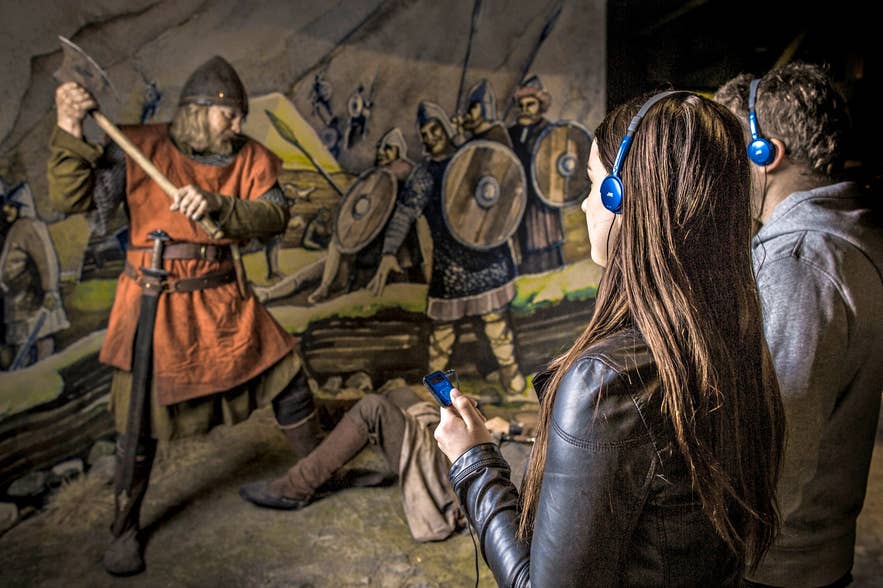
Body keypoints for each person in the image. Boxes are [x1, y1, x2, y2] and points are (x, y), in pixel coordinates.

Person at [434, 91, 787, 586]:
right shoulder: (734, 333)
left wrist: (473, 459)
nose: (584, 203)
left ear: (622, 197)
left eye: (593, 182)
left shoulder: (604, 382)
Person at [48, 56, 322, 577]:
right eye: (229, 114)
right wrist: (68, 126)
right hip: (153, 303)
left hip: (223, 302)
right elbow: (70, 198)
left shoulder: (249, 157)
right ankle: (124, 529)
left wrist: (218, 203)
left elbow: (275, 215)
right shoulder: (136, 147)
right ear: (197, 111)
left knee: (289, 380)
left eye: (240, 115)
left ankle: (317, 473)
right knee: (137, 422)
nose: (238, 124)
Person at [715, 62, 883, 588]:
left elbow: (774, 452)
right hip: (819, 554)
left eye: (728, 151)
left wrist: (720, 556)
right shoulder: (853, 232)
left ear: (765, 153)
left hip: (772, 568)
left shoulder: (799, 262)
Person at [368, 101, 528, 400]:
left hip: (486, 256)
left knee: (497, 326)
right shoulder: (425, 175)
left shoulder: (472, 157)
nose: (431, 137)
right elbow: (404, 214)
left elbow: (502, 185)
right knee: (441, 337)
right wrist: (389, 251)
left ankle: (514, 383)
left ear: (445, 128)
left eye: (435, 129)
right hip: (450, 264)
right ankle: (438, 396)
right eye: (425, 134)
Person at [239, 380, 514, 542]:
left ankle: (296, 487)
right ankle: (329, 428)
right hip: (480, 445)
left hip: (459, 466)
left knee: (373, 407)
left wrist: (507, 431)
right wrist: (508, 428)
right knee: (398, 393)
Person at [0, 180, 70, 368]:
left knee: (40, 342)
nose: (6, 210)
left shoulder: (30, 227)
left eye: (12, 206)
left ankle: (44, 376)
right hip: (18, 299)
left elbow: (46, 260)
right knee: (22, 347)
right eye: (6, 205)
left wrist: (50, 290)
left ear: (22, 207)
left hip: (33, 300)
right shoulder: (16, 228)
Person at [508, 75, 566, 274]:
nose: (525, 109)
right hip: (521, 199)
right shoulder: (513, 133)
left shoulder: (550, 132)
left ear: (540, 105)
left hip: (543, 200)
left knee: (544, 237)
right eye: (522, 105)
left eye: (530, 104)